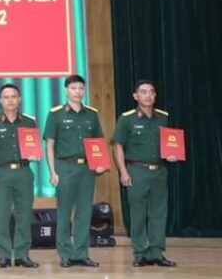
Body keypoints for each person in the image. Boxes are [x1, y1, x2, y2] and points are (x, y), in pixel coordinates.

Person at [112, 79, 177, 268]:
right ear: (135, 96)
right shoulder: (126, 119)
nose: (148, 95)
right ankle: (140, 253)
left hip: (159, 171)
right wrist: (123, 171)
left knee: (159, 213)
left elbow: (169, 142)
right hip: (136, 171)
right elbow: (118, 146)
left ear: (155, 95)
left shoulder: (163, 117)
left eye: (151, 92)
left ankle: (157, 252)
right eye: (143, 92)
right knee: (138, 213)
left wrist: (171, 154)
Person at [43, 74, 105, 268]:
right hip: (65, 167)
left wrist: (100, 163)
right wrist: (52, 171)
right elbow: (50, 145)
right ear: (66, 90)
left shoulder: (92, 114)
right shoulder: (55, 114)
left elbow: (98, 142)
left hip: (87, 168)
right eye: (73, 88)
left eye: (80, 88)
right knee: (64, 213)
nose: (78, 92)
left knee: (84, 213)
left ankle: (81, 253)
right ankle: (65, 254)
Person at [0, 84, 39, 269]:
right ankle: (4, 255)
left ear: (19, 99)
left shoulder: (29, 122)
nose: (10, 100)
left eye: (14, 96)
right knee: (2, 215)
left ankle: (22, 254)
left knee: (24, 215)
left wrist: (35, 154)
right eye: (6, 97)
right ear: (0, 101)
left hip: (24, 172)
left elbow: (33, 145)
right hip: (2, 173)